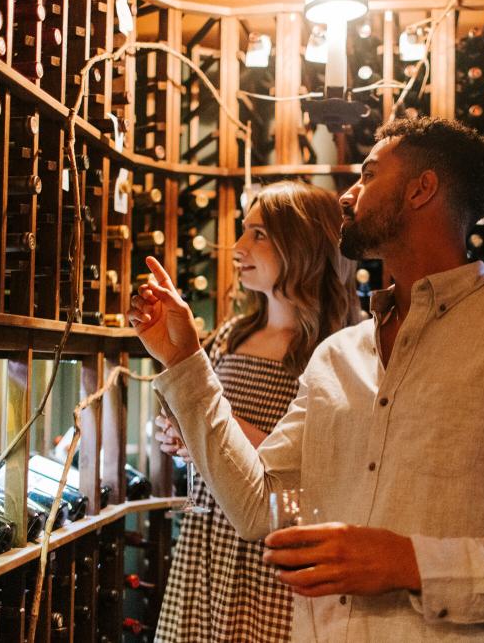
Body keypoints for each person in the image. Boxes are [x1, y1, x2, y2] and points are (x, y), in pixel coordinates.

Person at [130, 118, 484, 641]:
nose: (346, 195)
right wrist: (183, 362)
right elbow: (257, 506)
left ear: (421, 189)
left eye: (367, 174)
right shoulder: (337, 356)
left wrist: (412, 563)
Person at [153, 181, 359, 642]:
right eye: (244, 231)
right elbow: (209, 434)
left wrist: (209, 428)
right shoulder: (232, 334)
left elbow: (322, 467)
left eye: (259, 234)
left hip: (275, 555)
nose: (238, 247)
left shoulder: (338, 351)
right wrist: (182, 438)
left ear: (304, 244)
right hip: (208, 540)